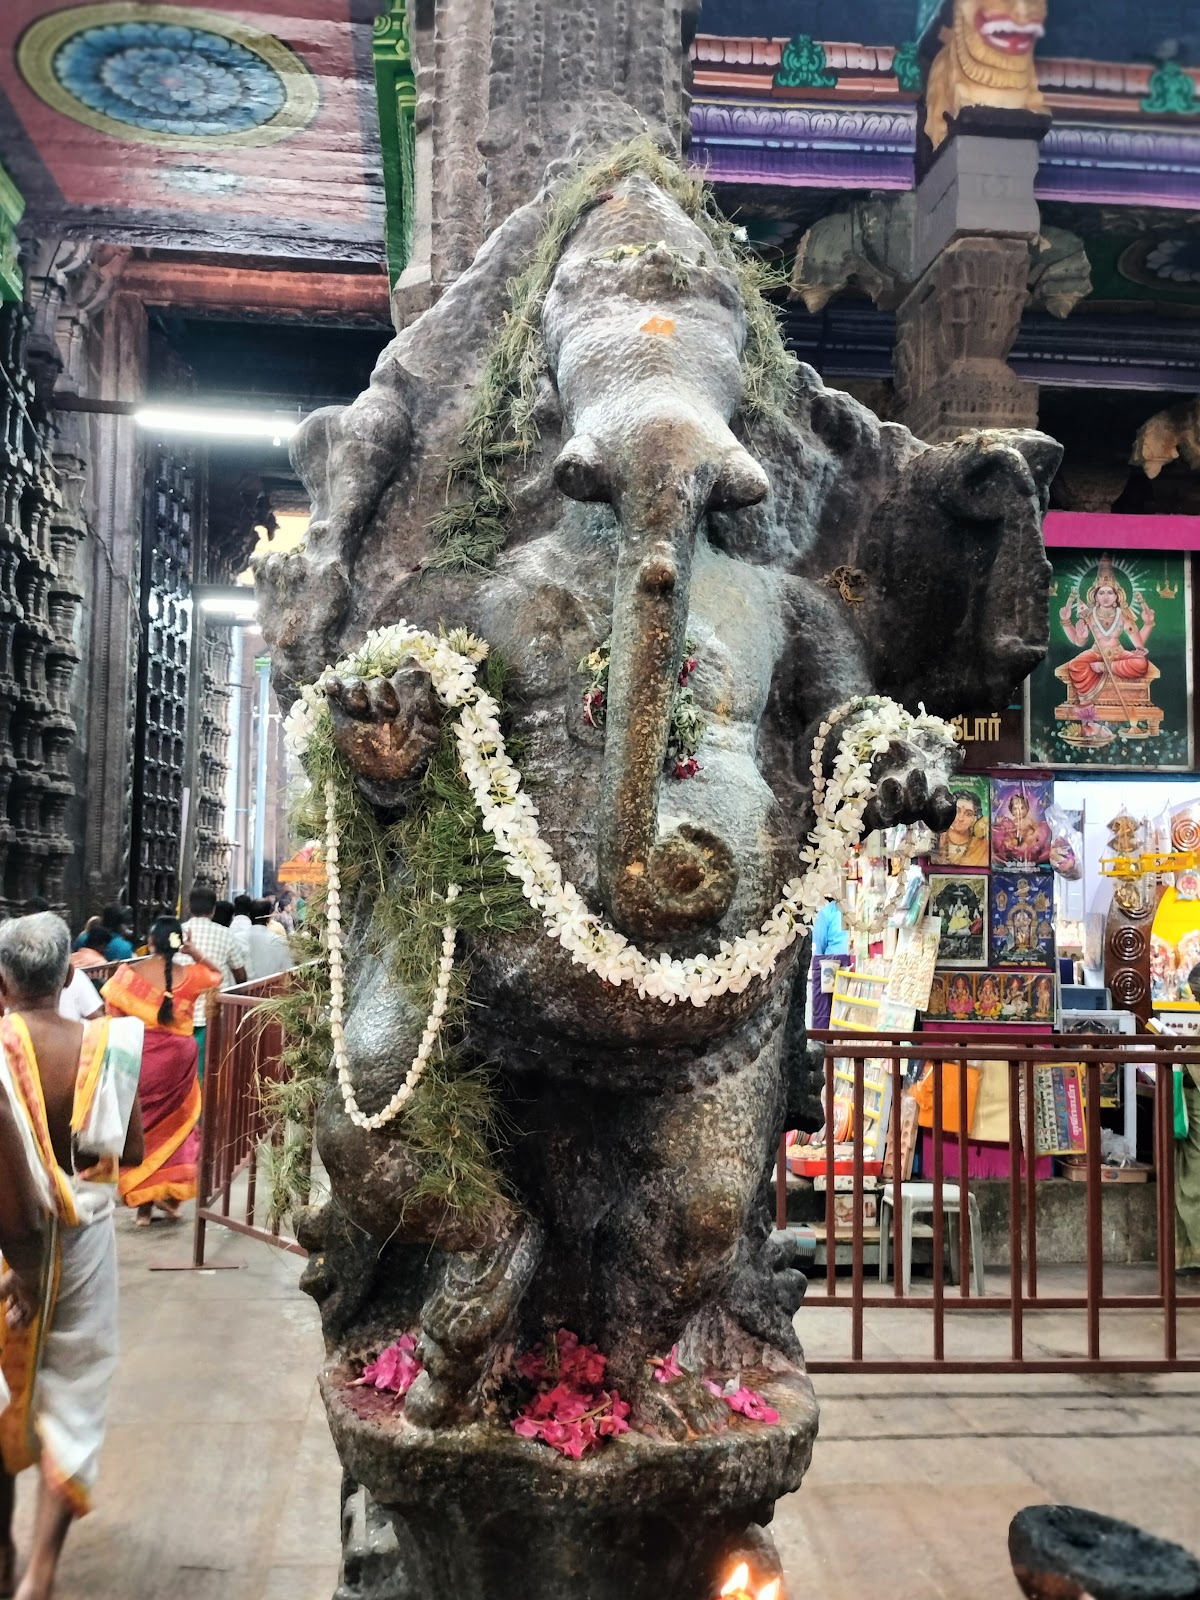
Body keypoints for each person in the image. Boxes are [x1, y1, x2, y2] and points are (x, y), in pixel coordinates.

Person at [0, 912, 144, 1600]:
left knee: (1, 1393)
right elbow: (132, 1150)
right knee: (75, 1394)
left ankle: (2, 1548)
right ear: (66, 976)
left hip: (6, 1254)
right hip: (84, 1242)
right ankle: (42, 1570)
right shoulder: (105, 1044)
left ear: (2, 984)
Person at [101, 919, 221, 1227]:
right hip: (179, 1061)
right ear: (179, 942)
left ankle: (143, 1208)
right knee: (178, 1129)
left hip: (141, 1058)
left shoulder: (128, 976)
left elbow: (111, 1014)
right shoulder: (191, 975)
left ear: (150, 942)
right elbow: (216, 976)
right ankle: (171, 1200)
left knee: (144, 1127)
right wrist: (194, 953)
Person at [181, 887, 248, 1081]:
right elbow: (240, 973)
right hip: (212, 1010)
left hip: (180, 1008)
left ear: (188, 907)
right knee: (206, 1064)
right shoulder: (225, 935)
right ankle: (203, 1101)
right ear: (213, 910)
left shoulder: (178, 933)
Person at [932, 790, 989, 868]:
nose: (960, 818)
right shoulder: (935, 840)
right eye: (957, 811)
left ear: (975, 819)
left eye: (968, 814)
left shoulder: (982, 846)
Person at [244, 899, 295, 982]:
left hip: (242, 992)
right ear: (269, 917)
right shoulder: (279, 941)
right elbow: (288, 970)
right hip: (273, 990)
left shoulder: (237, 938)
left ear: (249, 915)